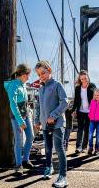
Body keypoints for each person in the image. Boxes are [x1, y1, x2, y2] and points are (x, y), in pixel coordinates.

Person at [34, 60, 68, 188]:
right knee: (47, 148)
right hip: (44, 124)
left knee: (59, 149)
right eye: (39, 74)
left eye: (43, 72)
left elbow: (65, 102)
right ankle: (49, 168)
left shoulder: (57, 85)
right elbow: (38, 106)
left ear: (49, 70)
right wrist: (37, 120)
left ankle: (63, 176)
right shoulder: (41, 88)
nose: (41, 76)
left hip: (57, 123)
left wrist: (53, 115)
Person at [4, 64, 34, 176]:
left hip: (26, 115)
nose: (28, 77)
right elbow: (13, 104)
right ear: (21, 74)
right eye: (27, 75)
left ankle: (25, 160)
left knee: (30, 136)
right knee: (19, 140)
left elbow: (24, 102)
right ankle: (18, 165)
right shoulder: (13, 85)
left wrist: (28, 113)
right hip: (17, 117)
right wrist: (20, 121)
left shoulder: (23, 84)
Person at [71, 70, 96, 155]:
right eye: (82, 79)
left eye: (85, 78)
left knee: (87, 130)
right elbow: (76, 101)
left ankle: (84, 147)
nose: (84, 80)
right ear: (80, 80)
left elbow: (96, 98)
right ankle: (78, 147)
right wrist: (72, 110)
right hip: (80, 111)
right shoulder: (78, 88)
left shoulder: (92, 86)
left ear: (88, 77)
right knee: (80, 129)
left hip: (90, 112)